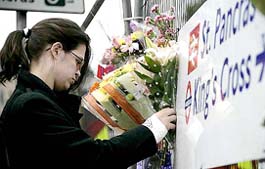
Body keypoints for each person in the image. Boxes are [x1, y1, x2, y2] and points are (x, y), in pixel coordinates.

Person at [0, 18, 176, 169]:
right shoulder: (32, 105)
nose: (78, 73)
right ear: (56, 50)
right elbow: (94, 158)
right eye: (77, 62)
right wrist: (151, 129)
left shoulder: (27, 99)